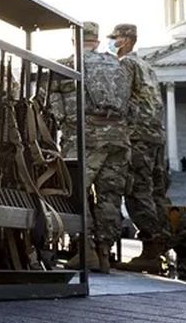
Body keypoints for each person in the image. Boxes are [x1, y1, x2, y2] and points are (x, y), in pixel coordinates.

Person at [54, 21, 130, 273]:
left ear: (74, 40)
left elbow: (54, 108)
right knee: (110, 197)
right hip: (118, 138)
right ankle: (105, 252)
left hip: (84, 138)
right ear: (96, 41)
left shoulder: (66, 65)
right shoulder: (118, 65)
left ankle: (85, 250)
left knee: (76, 192)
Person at [109, 23, 171, 274]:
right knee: (157, 192)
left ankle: (151, 249)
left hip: (137, 136)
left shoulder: (126, 65)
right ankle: (162, 243)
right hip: (156, 136)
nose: (112, 43)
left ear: (125, 40)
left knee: (137, 191)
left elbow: (119, 99)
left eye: (115, 39)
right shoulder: (148, 67)